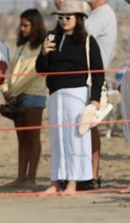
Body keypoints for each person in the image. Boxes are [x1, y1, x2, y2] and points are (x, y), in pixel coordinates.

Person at [36, 0, 102, 194]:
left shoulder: (87, 41)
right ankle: (56, 180)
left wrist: (95, 99)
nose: (64, 20)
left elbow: (98, 72)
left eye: (68, 17)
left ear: (78, 18)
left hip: (78, 92)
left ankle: (73, 181)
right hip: (55, 94)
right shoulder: (51, 38)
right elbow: (41, 70)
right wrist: (43, 53)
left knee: (76, 137)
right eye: (61, 17)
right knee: (57, 138)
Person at [0, 8, 47, 188]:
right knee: (21, 139)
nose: (22, 29)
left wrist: (14, 91)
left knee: (32, 136)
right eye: (21, 25)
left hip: (34, 95)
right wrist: (6, 90)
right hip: (16, 97)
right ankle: (21, 177)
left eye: (26, 25)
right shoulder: (21, 48)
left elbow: (36, 73)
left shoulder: (43, 48)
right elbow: (10, 72)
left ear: (35, 26)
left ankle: (31, 177)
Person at [84, 0, 116, 186]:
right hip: (89, 79)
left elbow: (78, 35)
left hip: (92, 80)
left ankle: (93, 175)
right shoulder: (98, 14)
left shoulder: (102, 13)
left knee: (89, 125)